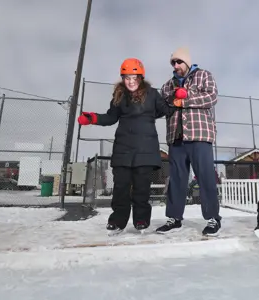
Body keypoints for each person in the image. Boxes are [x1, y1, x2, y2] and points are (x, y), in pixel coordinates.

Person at [78, 58, 178, 235]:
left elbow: (165, 110)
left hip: (145, 150)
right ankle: (117, 221)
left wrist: (176, 99)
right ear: (123, 78)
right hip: (123, 148)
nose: (131, 82)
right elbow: (110, 118)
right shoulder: (120, 96)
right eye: (127, 78)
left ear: (141, 77)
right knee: (121, 188)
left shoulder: (152, 94)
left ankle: (141, 220)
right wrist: (92, 118)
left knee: (142, 188)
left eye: (134, 78)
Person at [155, 47, 222, 236]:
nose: (175, 66)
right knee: (176, 179)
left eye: (178, 62)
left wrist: (186, 98)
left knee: (205, 176)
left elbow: (212, 96)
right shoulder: (168, 85)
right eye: (173, 63)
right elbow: (162, 106)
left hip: (199, 135)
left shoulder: (203, 75)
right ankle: (174, 218)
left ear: (187, 62)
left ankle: (212, 218)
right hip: (176, 137)